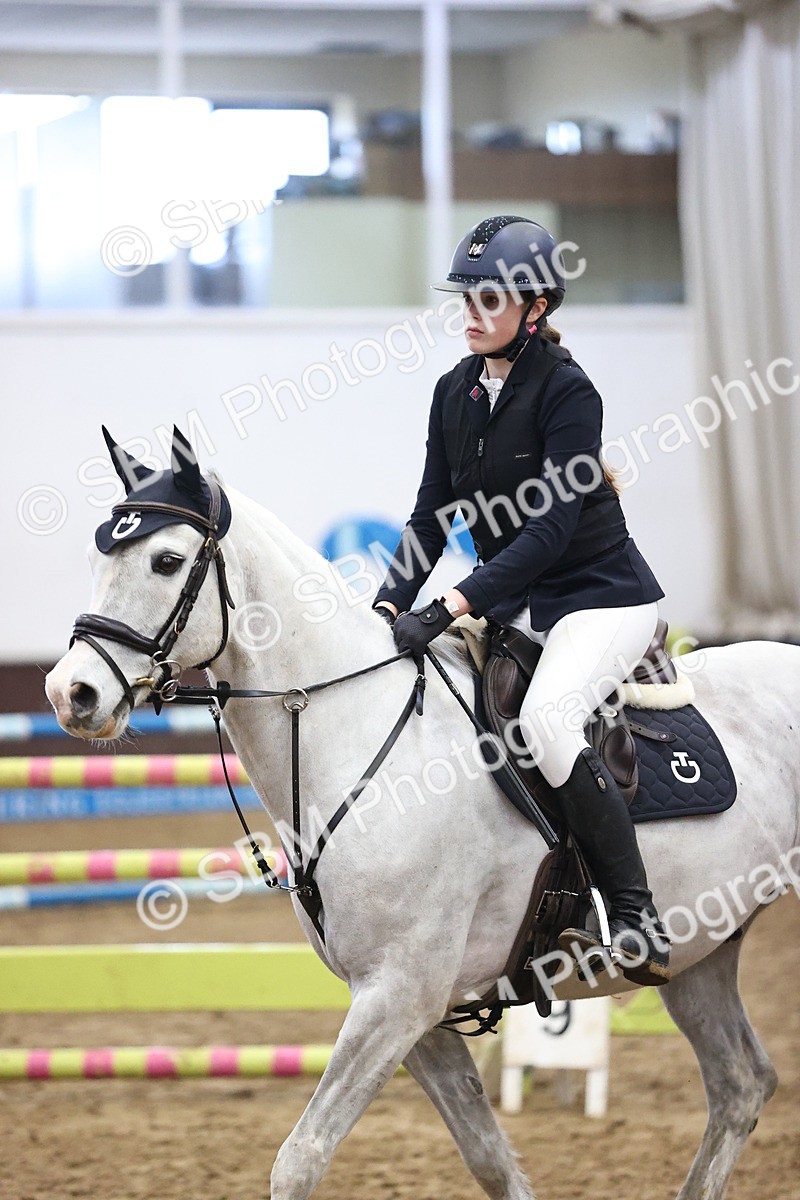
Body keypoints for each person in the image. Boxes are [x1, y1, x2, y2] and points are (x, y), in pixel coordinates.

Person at [372, 214, 670, 985]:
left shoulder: (570, 393)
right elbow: (432, 514)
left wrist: (451, 607)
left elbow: (548, 532)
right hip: (519, 599)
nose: (470, 315)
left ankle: (634, 913)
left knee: (544, 719)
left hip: (599, 596)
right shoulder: (453, 392)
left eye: (490, 300)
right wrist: (386, 604)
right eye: (465, 299)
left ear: (534, 310)